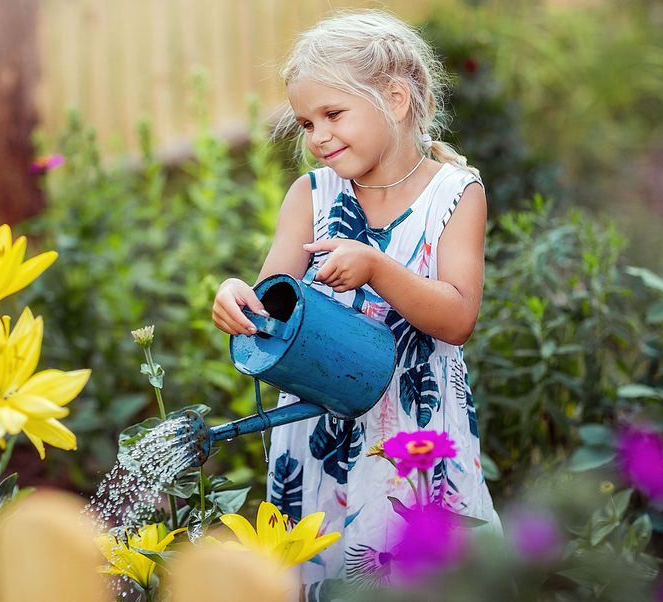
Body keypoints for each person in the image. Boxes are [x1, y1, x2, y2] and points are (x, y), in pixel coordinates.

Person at [210, 9, 500, 597]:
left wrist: (376, 267)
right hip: (318, 430)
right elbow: (272, 306)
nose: (317, 136)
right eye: (305, 122)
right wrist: (236, 300)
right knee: (329, 571)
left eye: (333, 114)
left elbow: (458, 316)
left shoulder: (455, 195)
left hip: (413, 432)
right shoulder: (310, 196)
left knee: (416, 577)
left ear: (395, 98)